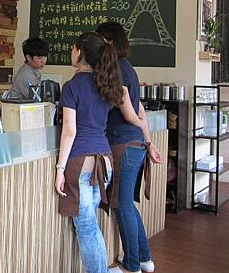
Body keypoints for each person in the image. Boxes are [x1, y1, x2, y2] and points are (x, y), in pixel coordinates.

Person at [54, 32, 146, 273]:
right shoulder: (105, 84)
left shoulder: (72, 87)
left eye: (73, 47)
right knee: (91, 224)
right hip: (105, 161)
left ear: (79, 52)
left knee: (87, 227)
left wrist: (60, 169)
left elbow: (69, 131)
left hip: (81, 162)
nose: (71, 51)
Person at [97, 22, 163, 273]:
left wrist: (135, 123)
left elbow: (129, 107)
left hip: (122, 144)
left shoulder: (116, 69)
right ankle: (144, 259)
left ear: (109, 42)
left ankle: (132, 264)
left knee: (121, 205)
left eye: (100, 40)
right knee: (125, 204)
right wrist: (147, 140)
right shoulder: (128, 67)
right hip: (134, 145)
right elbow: (140, 108)